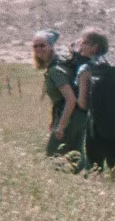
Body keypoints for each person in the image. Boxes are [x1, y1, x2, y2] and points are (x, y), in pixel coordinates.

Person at [77, 28, 115, 180]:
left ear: (95, 47)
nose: (80, 46)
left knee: (95, 168)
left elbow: (82, 103)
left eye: (84, 43)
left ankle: (98, 195)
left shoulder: (86, 69)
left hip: (96, 123)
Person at [33, 30, 85, 168]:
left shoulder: (56, 70)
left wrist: (61, 125)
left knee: (54, 155)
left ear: (51, 46)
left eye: (42, 45)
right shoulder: (58, 64)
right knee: (74, 156)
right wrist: (54, 121)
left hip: (70, 116)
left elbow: (70, 99)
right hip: (77, 116)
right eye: (35, 46)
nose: (38, 49)